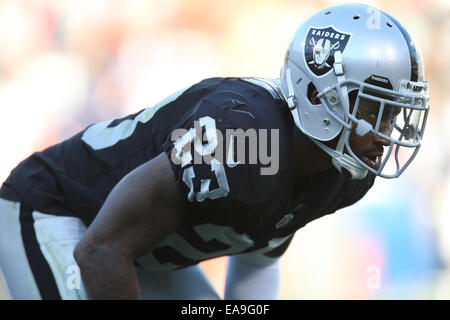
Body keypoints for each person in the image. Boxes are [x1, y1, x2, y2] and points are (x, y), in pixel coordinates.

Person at [0, 3, 430, 300]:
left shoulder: (341, 172)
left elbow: (259, 261)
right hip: (58, 212)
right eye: (375, 108)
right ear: (323, 96)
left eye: (394, 114)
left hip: (138, 249)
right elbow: (100, 250)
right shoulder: (242, 140)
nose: (386, 132)